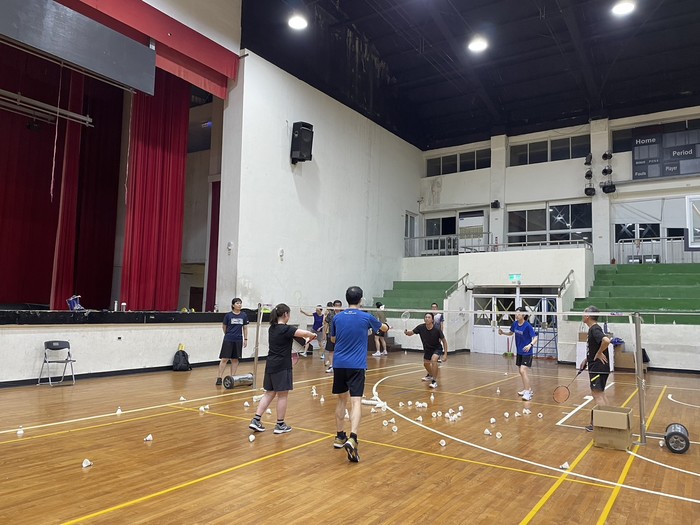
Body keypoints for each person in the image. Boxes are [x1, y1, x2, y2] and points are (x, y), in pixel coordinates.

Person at [331, 286, 388, 462]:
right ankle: (353, 437)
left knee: (341, 400)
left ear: (346, 299)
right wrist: (386, 325)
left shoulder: (337, 317)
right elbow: (383, 328)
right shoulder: (366, 317)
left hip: (339, 364)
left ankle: (339, 436)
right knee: (355, 401)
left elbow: (333, 339)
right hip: (356, 365)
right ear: (361, 299)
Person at [249, 303, 316, 434]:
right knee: (282, 395)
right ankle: (280, 424)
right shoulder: (287, 329)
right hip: (282, 366)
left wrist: (308, 336)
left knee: (269, 393)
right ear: (285, 314)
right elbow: (305, 333)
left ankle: (256, 420)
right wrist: (312, 335)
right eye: (289, 314)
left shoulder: (272, 328)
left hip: (270, 364)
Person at [580, 305, 612, 432]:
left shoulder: (595, 329)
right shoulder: (593, 329)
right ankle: (609, 421)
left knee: (597, 395)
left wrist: (599, 353)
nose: (582, 316)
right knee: (601, 394)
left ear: (588, 316)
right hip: (599, 366)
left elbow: (606, 341)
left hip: (598, 368)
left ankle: (601, 424)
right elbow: (595, 346)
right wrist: (587, 359)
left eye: (584, 313)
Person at [498, 306, 538, 400]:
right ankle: (527, 389)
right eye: (515, 313)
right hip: (519, 351)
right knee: (521, 371)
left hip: (527, 352)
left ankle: (528, 393)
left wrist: (530, 345)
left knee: (522, 370)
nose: (516, 315)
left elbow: (535, 337)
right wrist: (503, 333)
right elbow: (511, 333)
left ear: (523, 315)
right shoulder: (515, 324)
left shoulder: (527, 326)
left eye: (518, 313)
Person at [404, 312, 448, 389]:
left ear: (432, 320)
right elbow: (411, 333)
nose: (427, 319)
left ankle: (434, 381)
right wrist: (407, 332)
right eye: (426, 317)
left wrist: (445, 354)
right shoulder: (420, 327)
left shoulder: (437, 330)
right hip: (427, 349)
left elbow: (444, 341)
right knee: (426, 364)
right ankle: (430, 375)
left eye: (429, 317)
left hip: (437, 348)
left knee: (433, 360)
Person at [216, 298, 248, 386]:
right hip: (228, 339)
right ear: (233, 305)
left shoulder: (244, 315)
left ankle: (232, 377)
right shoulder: (228, 315)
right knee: (225, 358)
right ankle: (219, 377)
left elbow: (245, 328)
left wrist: (245, 339)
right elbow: (224, 326)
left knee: (235, 359)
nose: (239, 305)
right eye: (237, 303)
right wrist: (228, 334)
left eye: (240, 303)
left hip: (238, 340)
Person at [324, 299, 342, 373]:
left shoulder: (343, 314)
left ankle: (339, 366)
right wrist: (324, 333)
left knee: (340, 352)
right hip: (331, 336)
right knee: (331, 351)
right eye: (336, 305)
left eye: (339, 306)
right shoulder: (330, 314)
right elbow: (326, 323)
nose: (337, 307)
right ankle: (331, 366)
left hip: (341, 336)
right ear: (333, 306)